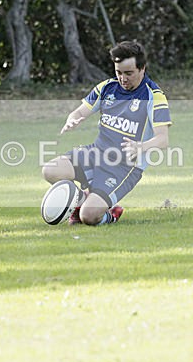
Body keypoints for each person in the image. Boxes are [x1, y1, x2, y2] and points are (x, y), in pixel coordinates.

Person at [42, 40, 171, 224]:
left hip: (124, 166)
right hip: (96, 153)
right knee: (50, 170)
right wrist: (73, 119)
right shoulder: (106, 88)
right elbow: (79, 112)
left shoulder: (154, 97)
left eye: (129, 73)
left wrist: (140, 147)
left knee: (88, 217)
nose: (123, 78)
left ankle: (111, 213)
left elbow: (163, 139)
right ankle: (82, 201)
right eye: (119, 72)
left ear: (142, 69)